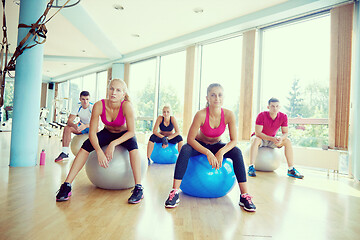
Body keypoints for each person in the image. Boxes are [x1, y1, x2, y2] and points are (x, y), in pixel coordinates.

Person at [164, 83, 256, 212]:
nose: (217, 98)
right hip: (199, 144)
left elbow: (234, 140)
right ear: (207, 98)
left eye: (220, 95)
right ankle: (174, 192)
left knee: (237, 152)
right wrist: (207, 152)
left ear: (223, 97)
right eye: (213, 95)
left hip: (217, 145)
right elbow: (190, 139)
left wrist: (221, 152)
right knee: (185, 149)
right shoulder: (201, 114)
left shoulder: (229, 115)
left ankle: (244, 196)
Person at [56, 79, 144, 204]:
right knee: (85, 146)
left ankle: (139, 188)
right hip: (107, 132)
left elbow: (131, 132)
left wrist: (113, 144)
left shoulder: (126, 106)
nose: (114, 92)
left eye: (118, 90)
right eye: (112, 88)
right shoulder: (99, 105)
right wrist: (98, 151)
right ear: (108, 90)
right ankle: (67, 185)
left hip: (124, 134)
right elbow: (92, 133)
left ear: (123, 94)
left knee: (134, 148)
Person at [247, 97, 304, 179]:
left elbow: (285, 133)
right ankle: (251, 167)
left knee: (287, 141)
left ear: (279, 107)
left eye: (277, 106)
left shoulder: (283, 116)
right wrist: (272, 139)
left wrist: (280, 138)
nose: (275, 108)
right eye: (272, 106)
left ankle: (291, 169)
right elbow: (258, 133)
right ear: (268, 107)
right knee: (256, 139)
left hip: (272, 139)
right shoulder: (261, 115)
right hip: (260, 138)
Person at [55, 91, 93, 162]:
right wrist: (74, 125)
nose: (85, 102)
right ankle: (64, 153)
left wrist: (85, 126)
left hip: (91, 127)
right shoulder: (77, 106)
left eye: (87, 99)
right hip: (82, 127)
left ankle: (95, 154)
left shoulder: (92, 107)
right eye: (83, 99)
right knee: (67, 128)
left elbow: (96, 124)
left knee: (97, 129)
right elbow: (69, 121)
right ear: (80, 99)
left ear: (89, 99)